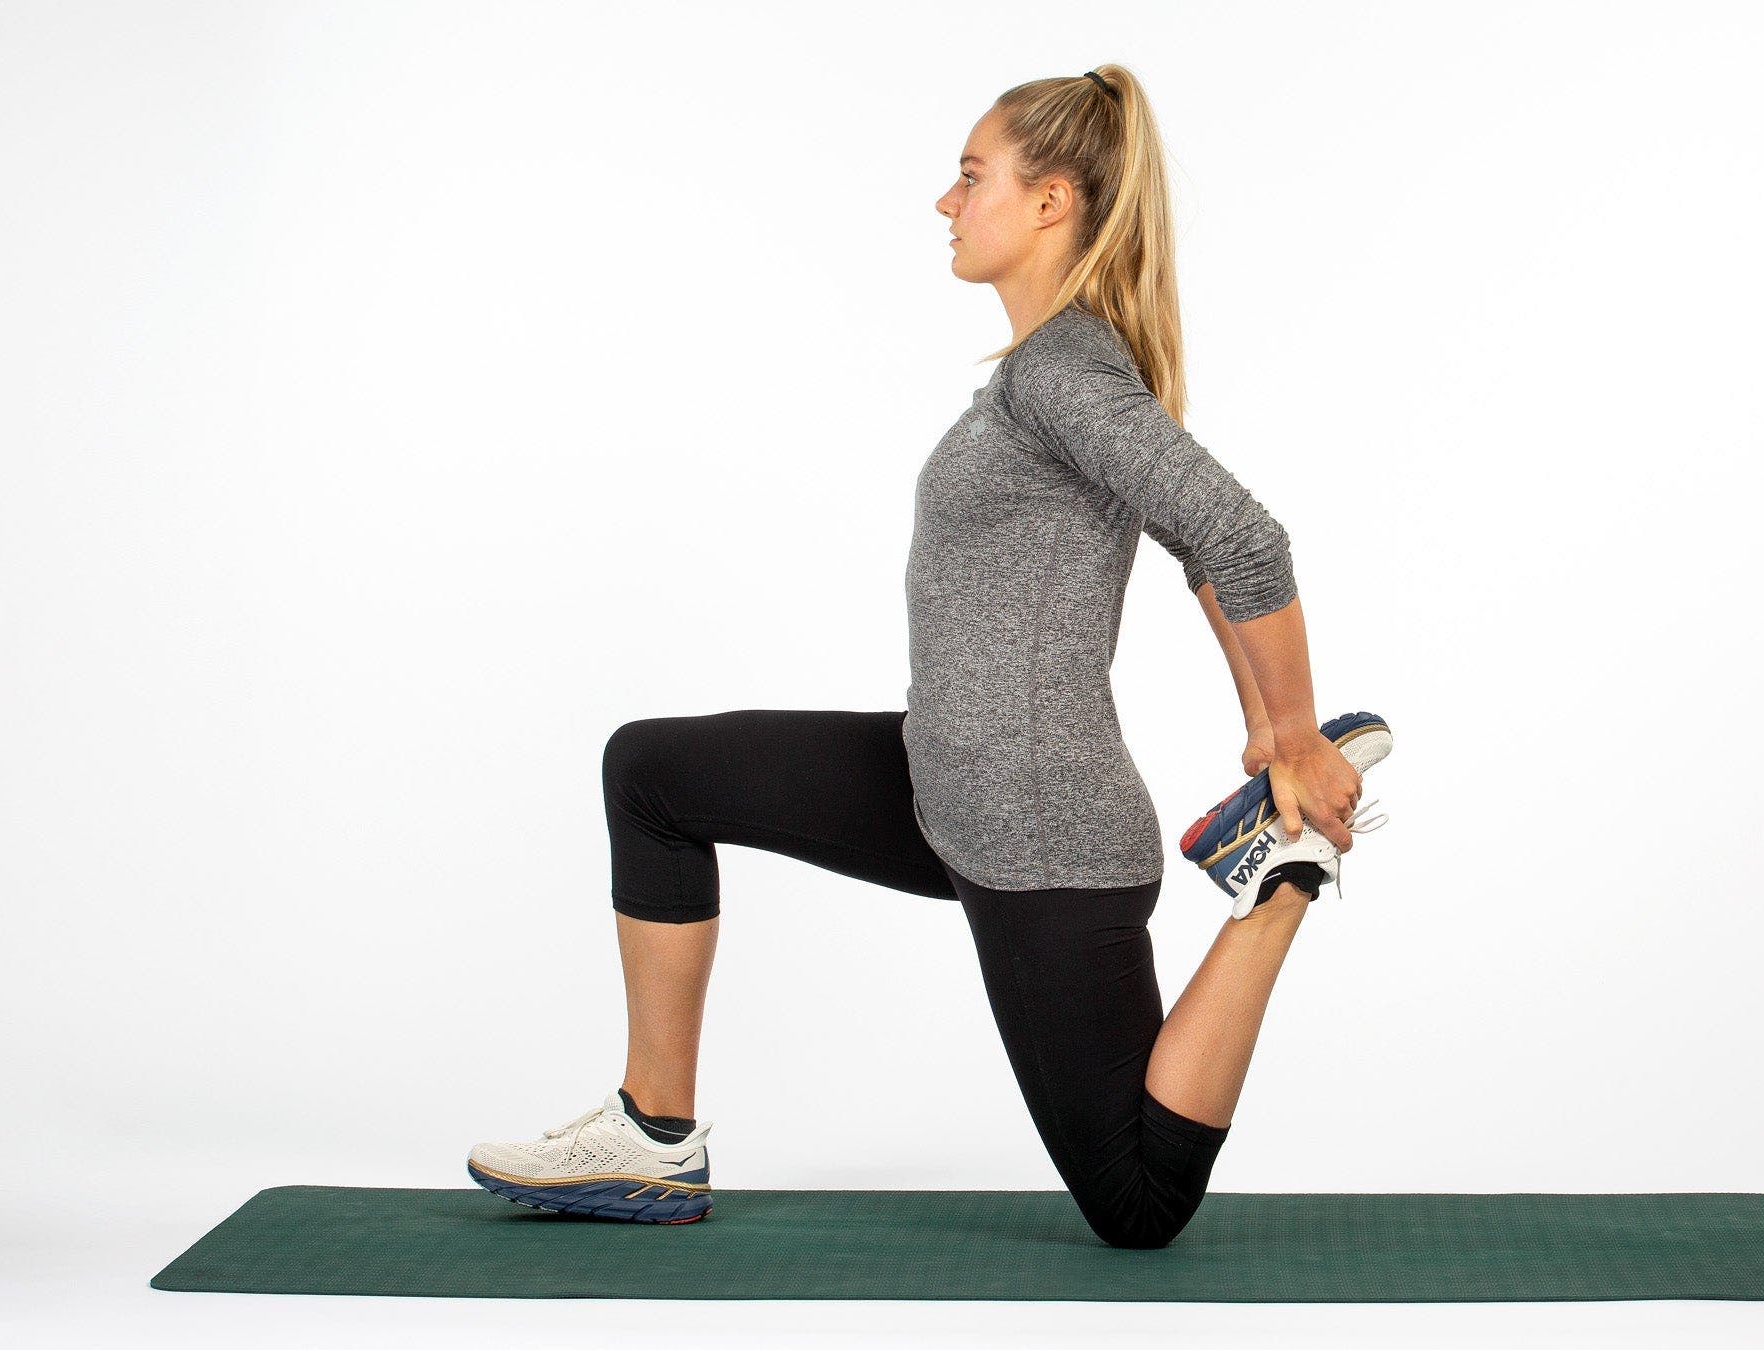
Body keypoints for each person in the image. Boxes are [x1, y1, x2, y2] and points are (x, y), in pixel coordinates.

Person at [463, 64, 1386, 1249]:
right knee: (651, 774)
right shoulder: (1045, 372)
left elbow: (1239, 537)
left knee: (1138, 1205)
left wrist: (1295, 741)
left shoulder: (1064, 372)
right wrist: (1262, 726)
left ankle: (1285, 874)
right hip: (941, 776)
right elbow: (1196, 550)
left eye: (970, 176)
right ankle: (654, 1140)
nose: (946, 204)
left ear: (1051, 202)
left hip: (1035, 825)